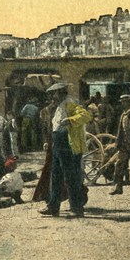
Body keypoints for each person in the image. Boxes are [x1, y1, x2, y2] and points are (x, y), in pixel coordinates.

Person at [39, 82, 91, 218]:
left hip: (68, 144)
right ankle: (53, 207)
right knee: (55, 176)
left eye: (54, 94)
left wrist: (70, 120)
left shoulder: (70, 103)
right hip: (57, 143)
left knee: (71, 177)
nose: (52, 97)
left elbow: (86, 116)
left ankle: (77, 208)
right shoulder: (59, 106)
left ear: (61, 92)